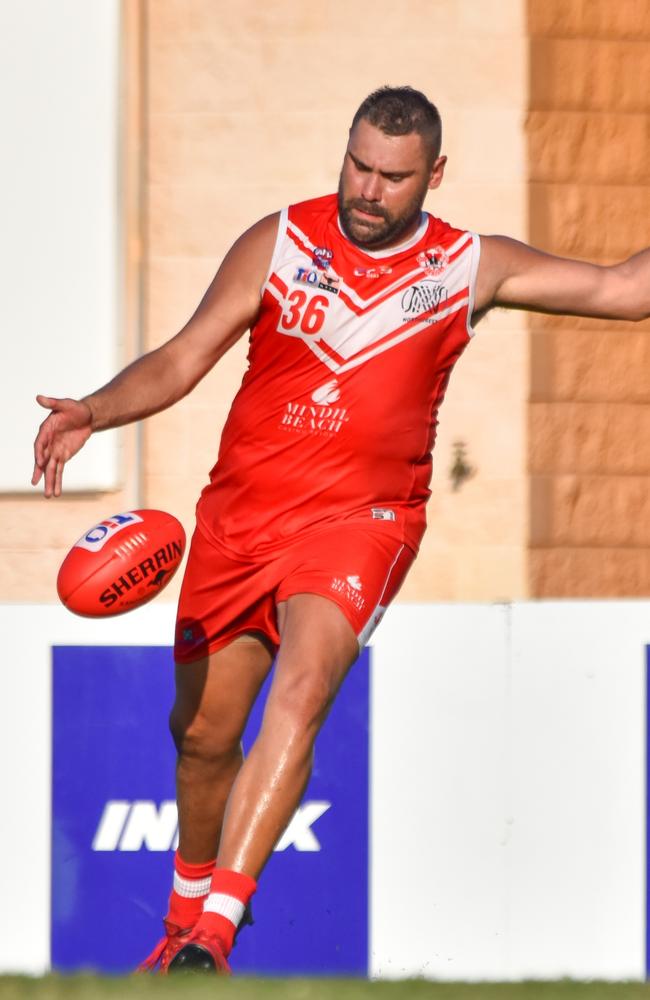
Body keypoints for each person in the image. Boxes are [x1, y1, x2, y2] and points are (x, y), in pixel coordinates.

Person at [32, 86, 650, 975]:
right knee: (202, 739)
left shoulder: (471, 266)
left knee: (305, 683)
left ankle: (215, 928)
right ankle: (179, 930)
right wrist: (95, 409)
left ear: (434, 175)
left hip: (362, 524)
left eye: (393, 176)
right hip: (241, 518)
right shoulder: (278, 242)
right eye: (357, 165)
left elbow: (624, 290)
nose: (368, 189)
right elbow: (181, 356)